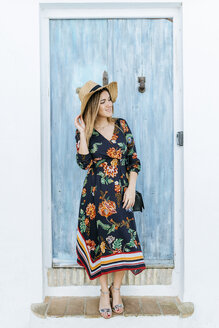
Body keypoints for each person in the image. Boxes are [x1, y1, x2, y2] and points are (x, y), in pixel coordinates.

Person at [74, 80, 146, 319]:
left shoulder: (122, 125)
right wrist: (82, 131)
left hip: (120, 193)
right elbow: (84, 164)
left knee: (123, 241)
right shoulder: (85, 130)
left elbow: (134, 160)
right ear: (93, 105)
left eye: (109, 100)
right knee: (99, 242)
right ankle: (104, 292)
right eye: (102, 101)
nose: (109, 104)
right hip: (95, 196)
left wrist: (131, 188)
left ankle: (117, 290)